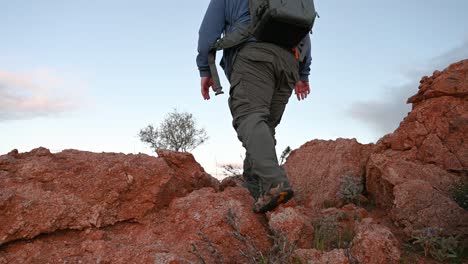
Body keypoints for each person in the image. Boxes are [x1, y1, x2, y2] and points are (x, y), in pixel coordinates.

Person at [196, 0, 312, 213]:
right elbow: (303, 28)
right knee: (264, 126)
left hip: (253, 56)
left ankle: (275, 183)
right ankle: (255, 190)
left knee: (250, 117)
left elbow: (207, 32)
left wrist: (205, 69)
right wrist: (303, 74)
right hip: (289, 64)